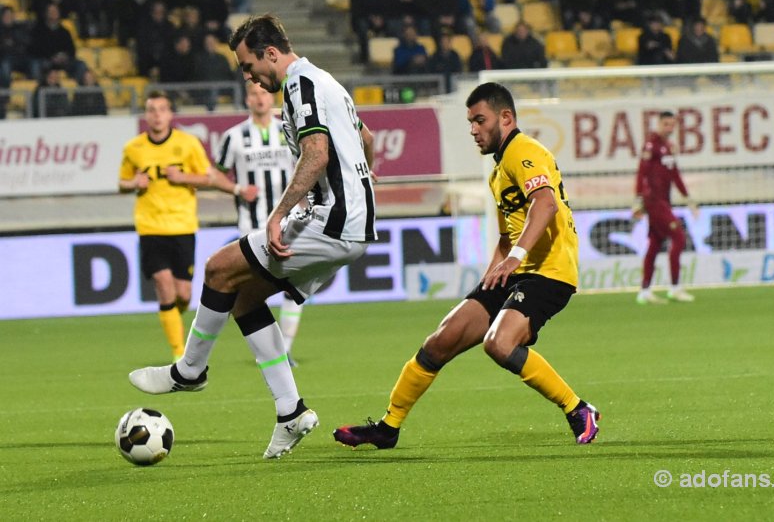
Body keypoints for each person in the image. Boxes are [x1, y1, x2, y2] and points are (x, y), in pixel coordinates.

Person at [127, 13, 378, 460]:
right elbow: (367, 139)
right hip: (348, 220)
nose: (249, 77)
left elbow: (317, 154)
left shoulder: (301, 85)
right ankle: (290, 412)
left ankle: (189, 370)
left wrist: (279, 214)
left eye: (248, 66)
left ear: (271, 54)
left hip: (332, 219)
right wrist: (360, 187)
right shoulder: (329, 83)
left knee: (218, 269)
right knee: (244, 298)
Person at [334, 82, 600, 449]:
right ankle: (388, 427)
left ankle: (578, 409)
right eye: (471, 122)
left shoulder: (525, 151)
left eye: (480, 120)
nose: (474, 130)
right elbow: (509, 233)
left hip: (549, 271)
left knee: (499, 344)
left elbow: (545, 205)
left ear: (506, 118)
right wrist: (494, 272)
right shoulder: (497, 171)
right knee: (440, 341)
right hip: (518, 269)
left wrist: (515, 258)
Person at [118, 90, 257, 361]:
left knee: (183, 294)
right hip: (150, 227)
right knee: (163, 283)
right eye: (151, 110)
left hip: (182, 225)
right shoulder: (133, 148)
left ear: (170, 114)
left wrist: (182, 177)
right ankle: (178, 353)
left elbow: (207, 178)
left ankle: (173, 315)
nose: (156, 115)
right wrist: (134, 183)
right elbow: (122, 183)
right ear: (146, 115)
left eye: (161, 109)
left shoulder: (188, 143)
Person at [215, 81, 305, 366]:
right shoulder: (234, 137)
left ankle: (285, 349)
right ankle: (268, 349)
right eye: (253, 94)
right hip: (251, 227)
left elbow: (306, 166)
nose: (259, 98)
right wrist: (239, 189)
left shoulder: (287, 130)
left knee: (294, 287)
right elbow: (214, 174)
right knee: (253, 291)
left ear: (271, 97)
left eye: (263, 93)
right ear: (247, 99)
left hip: (289, 223)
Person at [633, 111, 697, 304]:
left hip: (664, 201)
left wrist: (688, 199)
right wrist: (637, 200)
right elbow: (641, 173)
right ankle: (675, 287)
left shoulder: (669, 147)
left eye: (672, 125)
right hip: (653, 201)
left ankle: (644, 292)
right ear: (659, 124)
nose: (670, 128)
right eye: (666, 124)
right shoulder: (651, 144)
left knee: (654, 244)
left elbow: (675, 175)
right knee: (678, 236)